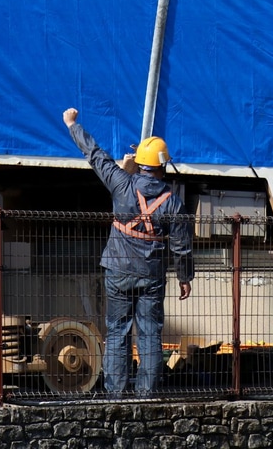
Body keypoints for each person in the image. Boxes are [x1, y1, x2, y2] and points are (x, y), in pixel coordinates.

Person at [62, 107, 193, 397]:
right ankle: (146, 394)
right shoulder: (173, 203)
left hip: (118, 269)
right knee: (150, 334)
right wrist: (185, 278)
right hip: (151, 275)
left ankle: (116, 395)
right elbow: (181, 246)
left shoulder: (121, 183)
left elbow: (95, 154)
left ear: (140, 162)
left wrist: (72, 124)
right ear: (162, 165)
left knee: (117, 332)